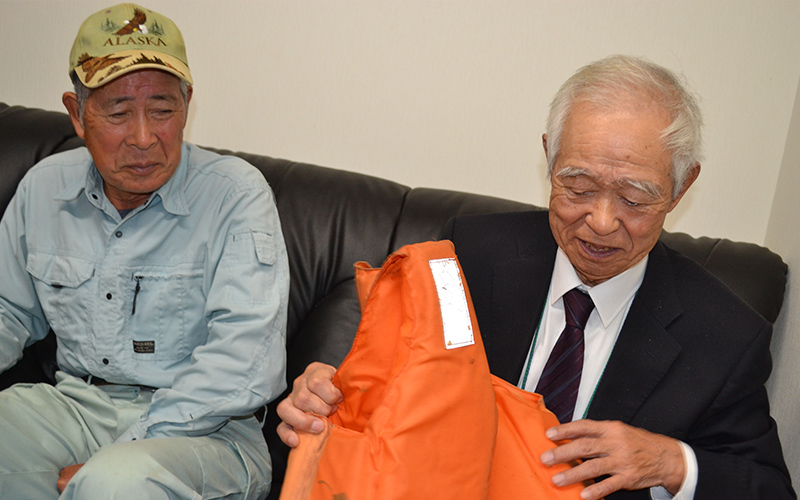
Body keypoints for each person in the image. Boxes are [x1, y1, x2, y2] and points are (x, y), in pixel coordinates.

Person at [276, 55, 795, 499]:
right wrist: (326, 394)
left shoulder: (725, 334)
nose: (602, 221)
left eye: (635, 198)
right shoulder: (472, 256)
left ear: (681, 189)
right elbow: (389, 381)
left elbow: (767, 487)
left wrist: (671, 462)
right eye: (578, 186)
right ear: (548, 156)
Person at [0, 4, 289, 499]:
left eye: (162, 110)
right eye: (117, 112)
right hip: (76, 407)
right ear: (76, 113)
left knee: (115, 482)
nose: (143, 137)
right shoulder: (43, 188)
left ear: (187, 104)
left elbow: (244, 361)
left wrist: (125, 448)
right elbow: (7, 311)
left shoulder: (237, 195)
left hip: (210, 432)